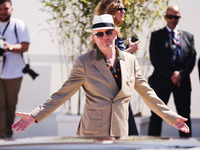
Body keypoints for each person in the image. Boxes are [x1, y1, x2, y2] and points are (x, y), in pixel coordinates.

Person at [12, 14, 189, 138]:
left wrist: (172, 118)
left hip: (120, 133)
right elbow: (62, 94)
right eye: (99, 34)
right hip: (92, 134)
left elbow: (147, 93)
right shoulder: (84, 62)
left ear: (116, 33)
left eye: (109, 32)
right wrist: (35, 116)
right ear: (94, 39)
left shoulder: (129, 60)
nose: (105, 37)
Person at [148, 5, 196, 138]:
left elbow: (192, 59)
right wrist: (171, 75)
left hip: (182, 82)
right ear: (165, 17)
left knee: (184, 114)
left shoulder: (188, 37)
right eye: (170, 16)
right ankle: (152, 143)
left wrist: (181, 75)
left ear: (180, 17)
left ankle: (186, 145)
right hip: (161, 81)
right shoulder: (156, 36)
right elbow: (155, 59)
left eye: (176, 17)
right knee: (157, 114)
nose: (173, 19)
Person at [94, 0, 140, 135]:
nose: (123, 11)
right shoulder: (104, 34)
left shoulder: (116, 34)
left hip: (120, 92)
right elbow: (108, 60)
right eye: (120, 9)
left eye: (124, 8)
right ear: (111, 12)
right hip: (112, 94)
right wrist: (130, 51)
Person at [0, 0, 30, 139]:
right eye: (0, 9)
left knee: (10, 105)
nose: (3, 11)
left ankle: (8, 132)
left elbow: (25, 46)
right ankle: (1, 134)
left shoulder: (18, 25)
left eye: (5, 8)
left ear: (11, 9)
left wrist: (8, 47)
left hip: (14, 73)